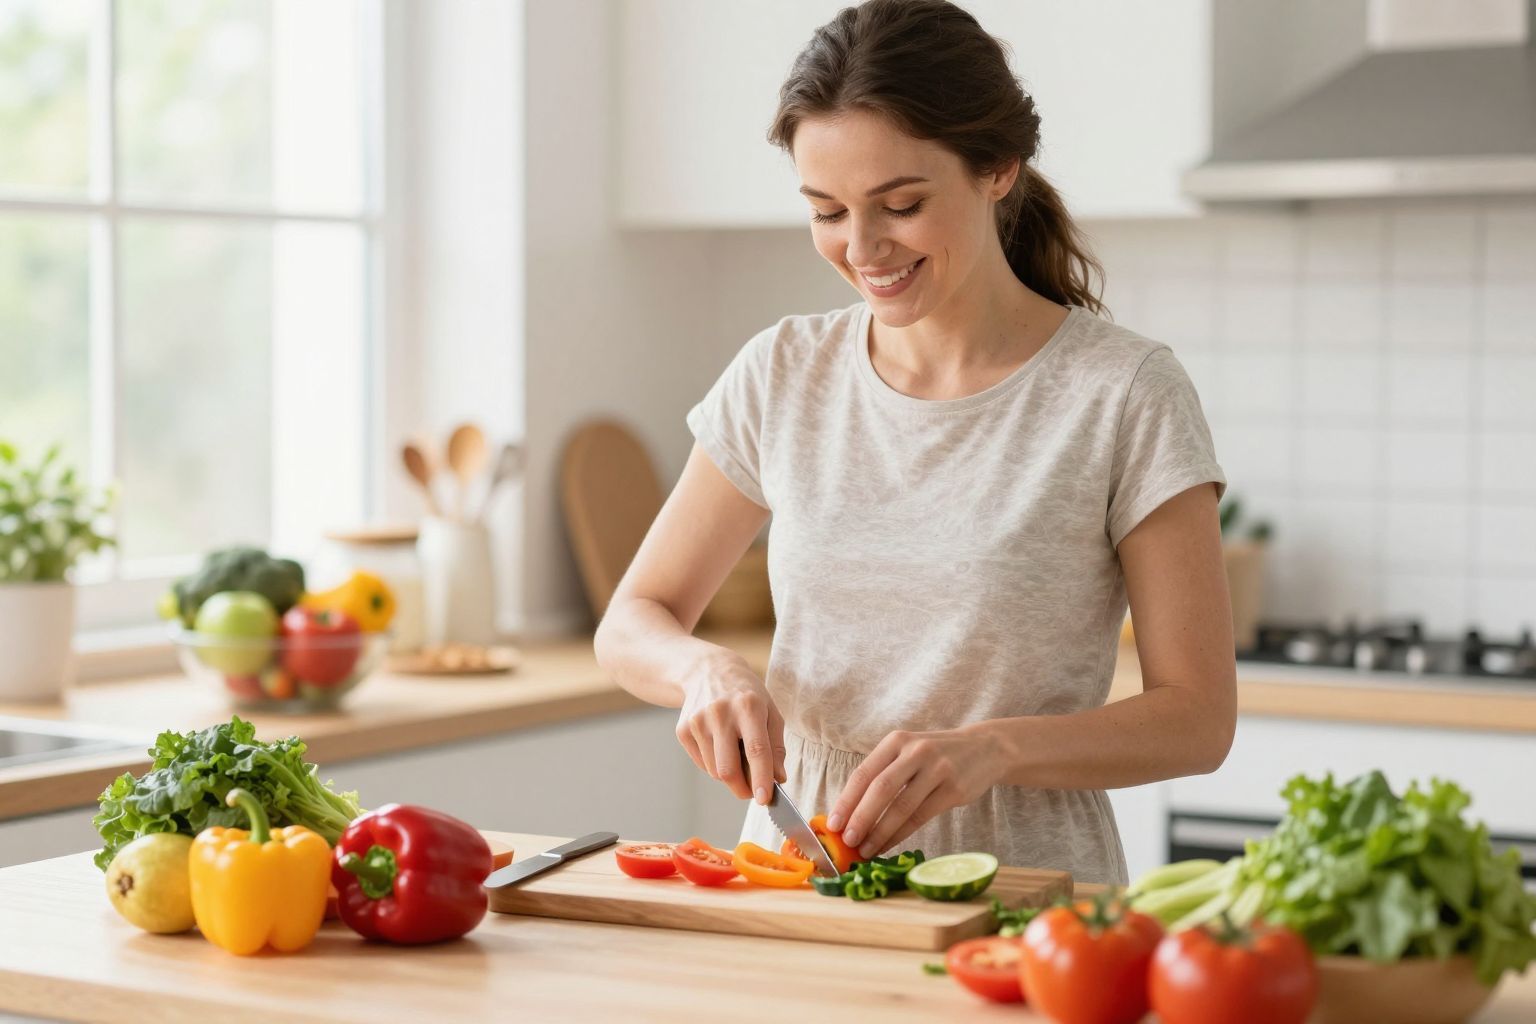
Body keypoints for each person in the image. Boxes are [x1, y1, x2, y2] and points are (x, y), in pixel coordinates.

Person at [593, 0, 1235, 885]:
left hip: (1025, 898)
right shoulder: (784, 372)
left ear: (999, 168)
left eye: (900, 204)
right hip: (796, 877)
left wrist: (994, 750)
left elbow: (1198, 719)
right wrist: (703, 670)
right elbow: (631, 622)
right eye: (826, 211)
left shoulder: (1122, 394)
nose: (862, 249)